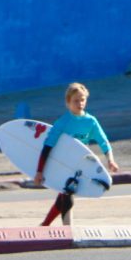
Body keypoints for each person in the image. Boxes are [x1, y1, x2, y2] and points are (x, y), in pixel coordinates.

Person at [34, 82, 118, 226]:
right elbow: (48, 146)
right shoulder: (63, 122)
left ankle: (45, 225)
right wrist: (39, 171)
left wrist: (110, 160)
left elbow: (103, 142)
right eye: (76, 100)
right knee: (67, 192)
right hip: (62, 162)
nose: (80, 103)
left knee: (65, 192)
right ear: (68, 102)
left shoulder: (91, 121)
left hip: (79, 164)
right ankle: (67, 228)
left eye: (82, 100)